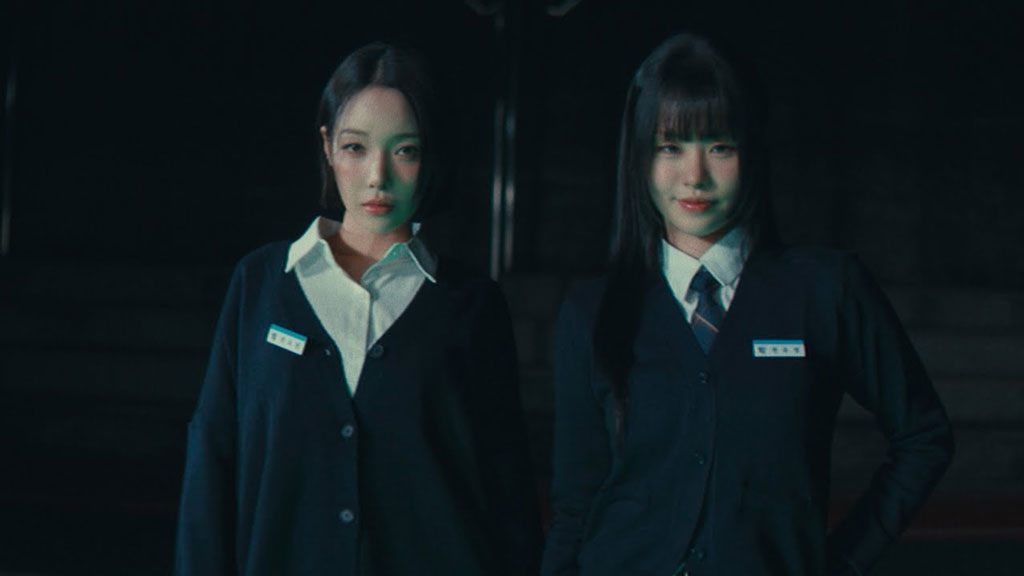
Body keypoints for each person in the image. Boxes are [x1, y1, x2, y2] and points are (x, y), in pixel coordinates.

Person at [540, 33, 953, 576]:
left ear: (752, 151)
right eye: (670, 147)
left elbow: (924, 437)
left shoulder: (826, 290)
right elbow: (576, 503)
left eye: (720, 146)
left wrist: (843, 560)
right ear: (638, 157)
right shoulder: (590, 313)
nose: (694, 176)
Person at [174, 42, 541, 576]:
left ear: (430, 156)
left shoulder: (471, 305)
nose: (377, 176)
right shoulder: (260, 284)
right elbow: (212, 458)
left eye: (405, 150)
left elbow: (508, 492)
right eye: (355, 147)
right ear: (327, 146)